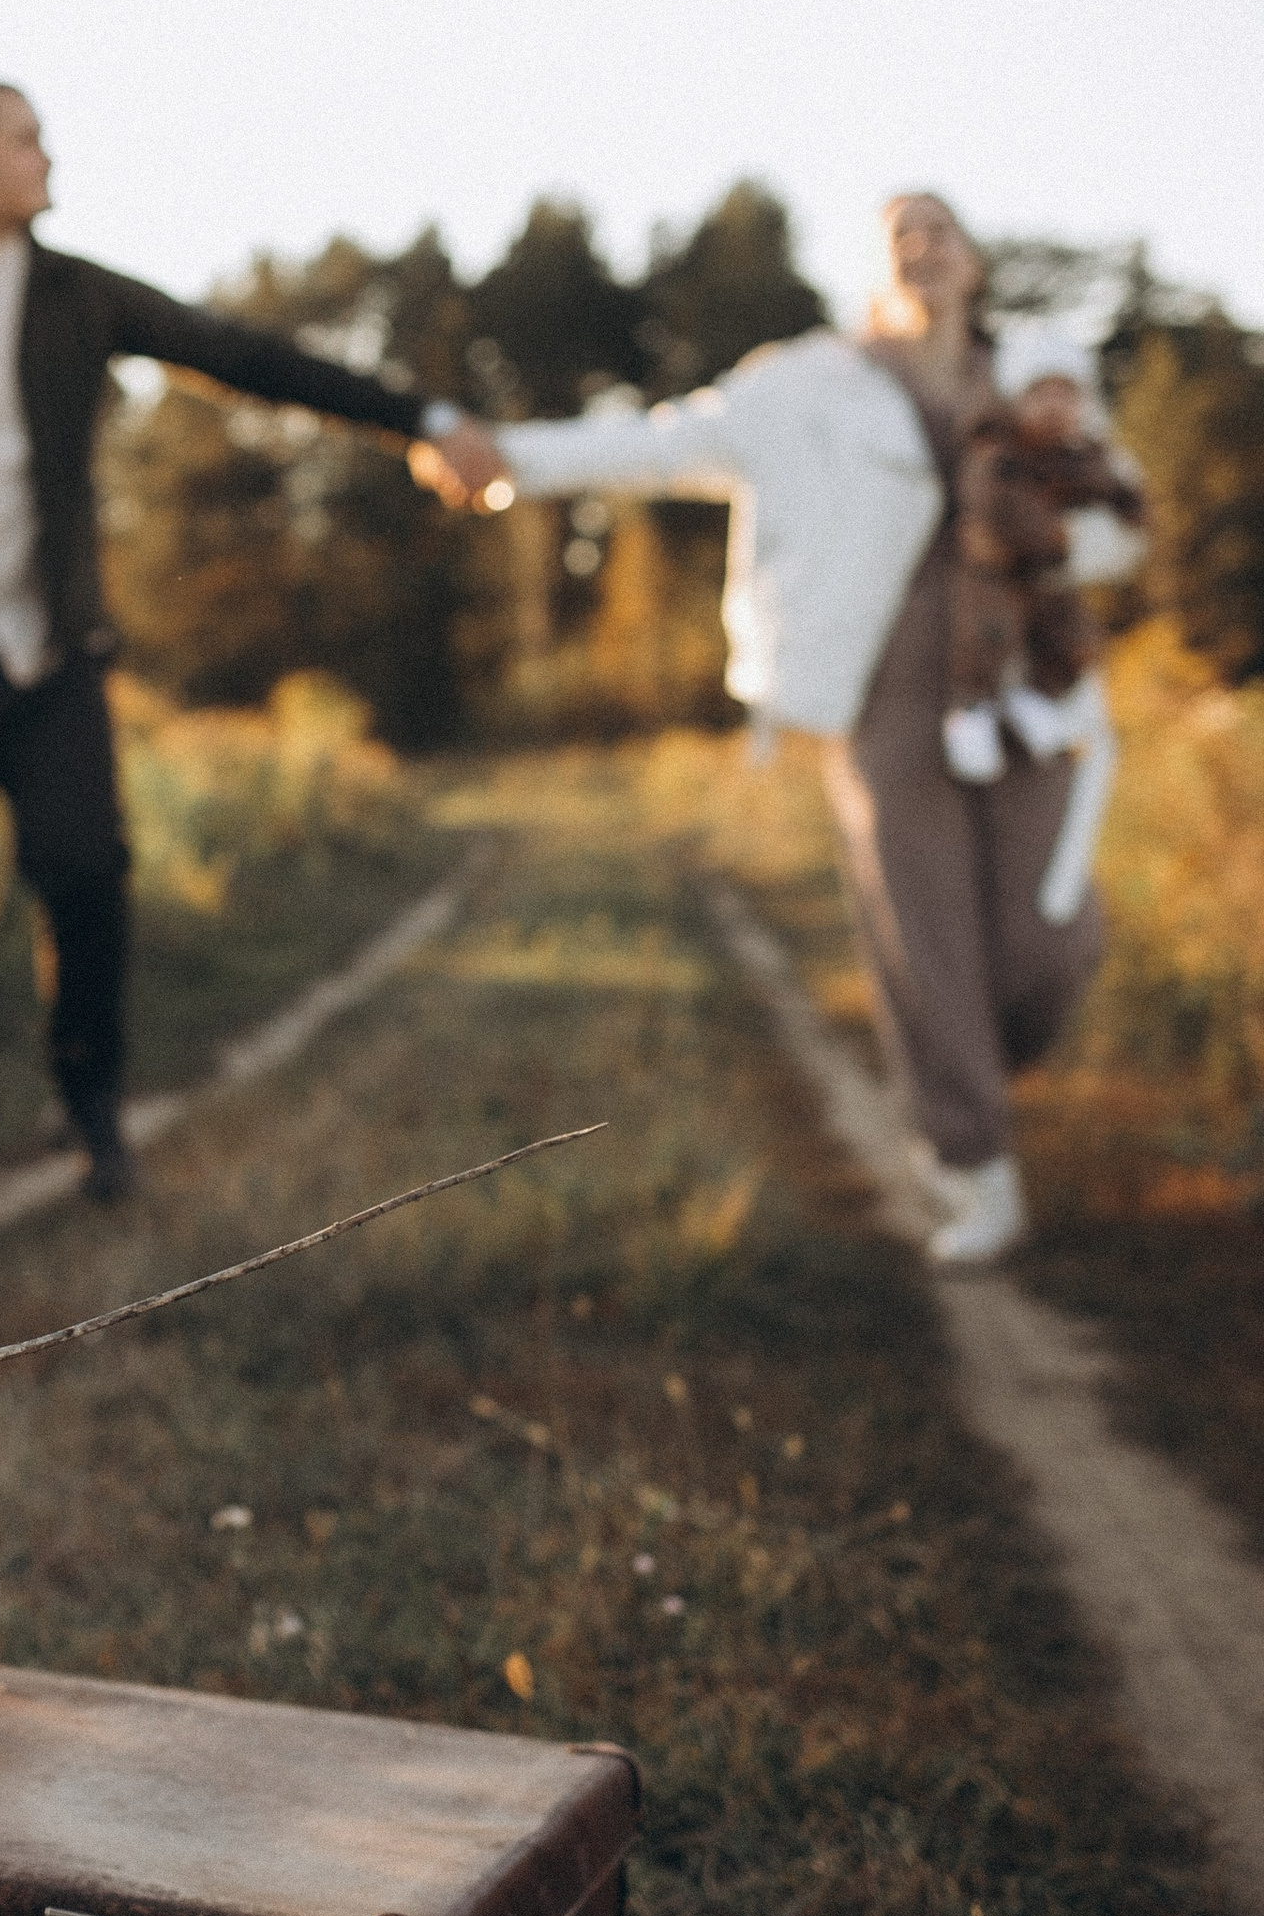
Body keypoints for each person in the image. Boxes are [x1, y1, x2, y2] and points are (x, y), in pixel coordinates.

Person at [0, 81, 435, 1245]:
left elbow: (237, 355)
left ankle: (90, 1105)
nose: (48, 156)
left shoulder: (77, 297)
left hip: (44, 652)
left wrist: (417, 418)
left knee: (87, 873)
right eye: (24, 139)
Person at [415, 192, 1135, 1268]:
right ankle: (971, 1165)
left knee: (1052, 933)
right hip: (886, 688)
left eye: (941, 226)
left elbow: (1118, 512)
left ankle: (984, 1070)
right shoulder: (808, 386)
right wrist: (508, 457)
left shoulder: (1032, 373)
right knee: (924, 931)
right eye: (900, 230)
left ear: (975, 262)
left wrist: (1068, 537)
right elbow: (660, 445)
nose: (922, 241)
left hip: (1020, 683)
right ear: (875, 268)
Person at [939, 335, 1144, 784]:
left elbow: (1112, 487)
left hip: (1051, 580)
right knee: (987, 637)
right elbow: (995, 507)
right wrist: (1054, 534)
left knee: (1075, 640)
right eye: (1039, 393)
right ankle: (971, 712)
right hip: (995, 575)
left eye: (1065, 394)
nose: (1053, 407)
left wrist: (1130, 507)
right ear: (1014, 400)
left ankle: (1038, 696)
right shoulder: (997, 453)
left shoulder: (1084, 455)